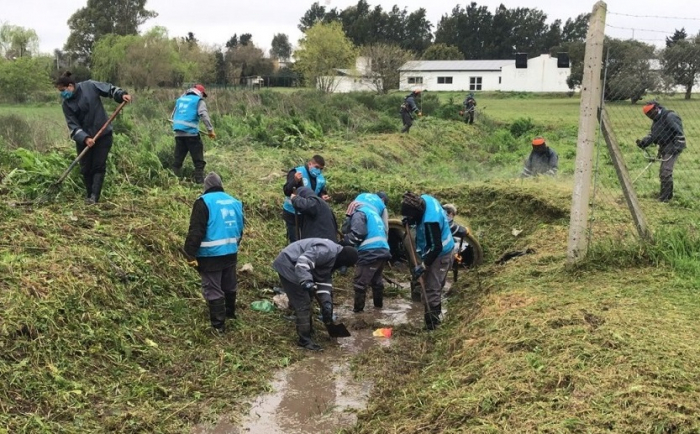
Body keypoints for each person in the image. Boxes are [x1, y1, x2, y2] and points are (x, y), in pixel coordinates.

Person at [55, 71, 132, 204]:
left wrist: (121, 94)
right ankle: (89, 195)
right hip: (84, 139)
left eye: (63, 90)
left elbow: (109, 89)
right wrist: (85, 138)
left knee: (98, 166)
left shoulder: (90, 86)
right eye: (60, 92)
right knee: (85, 167)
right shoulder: (66, 105)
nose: (62, 94)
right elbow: (72, 125)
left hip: (103, 135)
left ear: (70, 86)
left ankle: (94, 197)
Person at [183, 172, 244, 334]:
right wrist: (234, 245)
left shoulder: (203, 202)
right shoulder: (235, 202)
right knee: (229, 284)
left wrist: (189, 252)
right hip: (231, 251)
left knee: (213, 288)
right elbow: (240, 228)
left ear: (206, 186)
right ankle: (230, 314)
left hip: (210, 254)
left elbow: (196, 230)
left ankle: (218, 326)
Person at [272, 239, 359, 351]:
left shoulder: (332, 261)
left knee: (308, 298)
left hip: (297, 266)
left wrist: (327, 303)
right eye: (344, 265)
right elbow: (302, 262)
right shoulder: (326, 251)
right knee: (303, 302)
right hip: (289, 263)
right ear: (343, 259)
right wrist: (306, 280)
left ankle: (308, 330)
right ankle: (304, 340)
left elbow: (324, 282)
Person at [401, 192, 454, 330]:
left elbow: (436, 247)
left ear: (418, 212)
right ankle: (432, 321)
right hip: (433, 250)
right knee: (429, 285)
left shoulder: (431, 221)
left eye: (412, 216)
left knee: (432, 289)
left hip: (441, 253)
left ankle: (432, 326)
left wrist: (423, 266)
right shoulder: (424, 199)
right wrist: (410, 221)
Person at [342, 202, 391, 312]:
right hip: (383, 250)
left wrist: (344, 241)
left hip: (370, 252)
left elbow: (358, 234)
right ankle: (378, 309)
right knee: (376, 280)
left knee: (360, 283)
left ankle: (358, 313)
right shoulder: (373, 214)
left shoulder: (359, 214)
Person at [636, 101, 686, 202]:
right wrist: (644, 143)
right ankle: (667, 195)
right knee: (663, 172)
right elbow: (653, 135)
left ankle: (664, 198)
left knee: (666, 172)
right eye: (647, 114)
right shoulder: (656, 120)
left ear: (656, 109)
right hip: (664, 147)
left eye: (650, 113)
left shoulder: (670, 116)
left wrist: (676, 148)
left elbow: (679, 133)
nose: (649, 116)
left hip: (672, 147)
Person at [171, 84, 216, 184]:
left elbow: (173, 115)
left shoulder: (180, 100)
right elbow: (204, 115)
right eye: (203, 95)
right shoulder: (198, 101)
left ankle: (172, 179)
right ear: (200, 92)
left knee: (178, 160)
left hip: (178, 133)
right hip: (191, 134)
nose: (202, 97)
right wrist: (210, 130)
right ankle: (199, 181)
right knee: (198, 160)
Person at [282, 155, 329, 243]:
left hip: (308, 213)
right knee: (295, 240)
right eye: (317, 167)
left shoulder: (320, 178)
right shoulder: (296, 172)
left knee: (306, 240)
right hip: (293, 212)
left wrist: (323, 196)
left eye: (321, 169)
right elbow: (287, 190)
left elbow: (321, 191)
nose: (318, 171)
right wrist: (295, 181)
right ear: (310, 164)